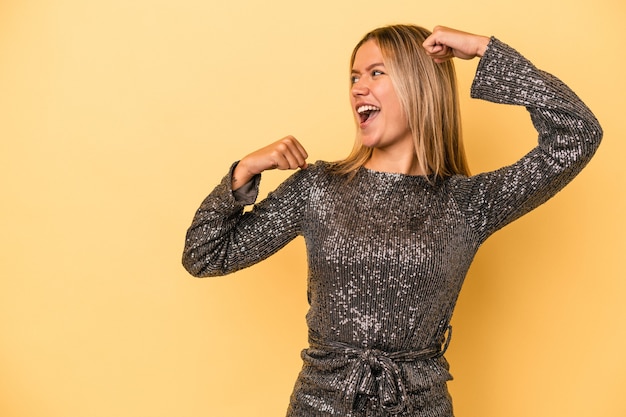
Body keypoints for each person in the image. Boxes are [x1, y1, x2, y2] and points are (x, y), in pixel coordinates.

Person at [182, 25, 602, 417]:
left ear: (420, 84)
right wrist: (242, 173)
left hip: (421, 405)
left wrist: (484, 51)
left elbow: (578, 134)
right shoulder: (318, 187)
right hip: (319, 403)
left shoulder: (469, 204)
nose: (357, 88)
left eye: (375, 73)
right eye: (353, 77)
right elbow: (204, 256)